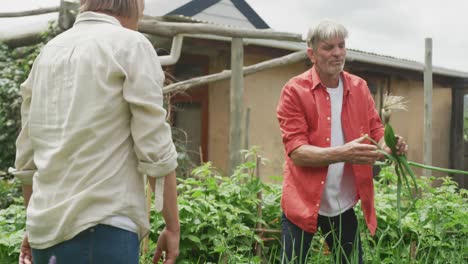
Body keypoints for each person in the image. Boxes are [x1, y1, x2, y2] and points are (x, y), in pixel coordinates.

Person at [11, 0, 180, 263]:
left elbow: (26, 158)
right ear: (133, 5)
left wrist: (35, 226)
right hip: (103, 228)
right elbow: (155, 148)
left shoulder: (48, 53)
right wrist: (172, 226)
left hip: (44, 235)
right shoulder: (131, 45)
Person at [276, 20, 407, 263]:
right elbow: (297, 152)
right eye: (328, 47)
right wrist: (344, 153)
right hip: (302, 201)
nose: (337, 53)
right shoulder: (294, 91)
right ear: (312, 54)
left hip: (341, 204)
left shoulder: (359, 87)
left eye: (341, 45)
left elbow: (376, 130)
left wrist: (388, 147)